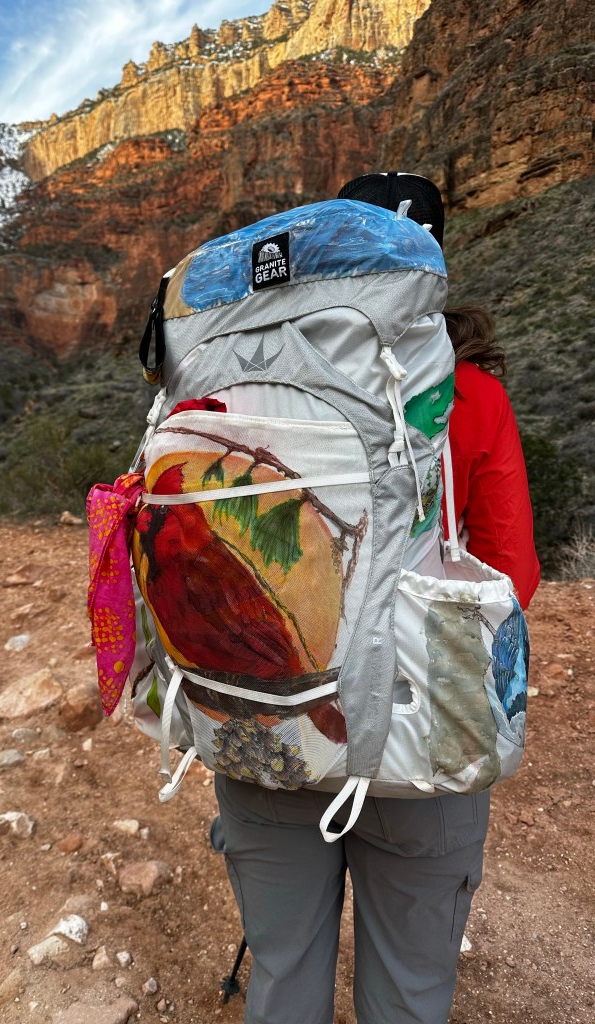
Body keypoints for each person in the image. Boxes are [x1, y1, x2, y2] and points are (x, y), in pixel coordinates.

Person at [214, 172, 540, 1024]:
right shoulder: (472, 396)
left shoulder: (240, 383)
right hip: (416, 733)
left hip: (267, 719)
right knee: (410, 988)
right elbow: (512, 574)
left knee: (284, 972)